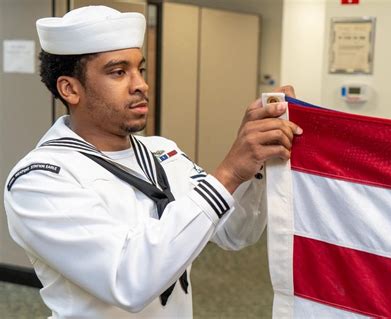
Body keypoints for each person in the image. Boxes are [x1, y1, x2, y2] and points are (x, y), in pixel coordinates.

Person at [4, 5, 301, 318]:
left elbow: (236, 233)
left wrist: (254, 166)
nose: (140, 85)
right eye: (119, 72)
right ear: (70, 89)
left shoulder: (161, 152)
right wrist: (226, 174)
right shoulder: (40, 179)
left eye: (139, 70)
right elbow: (129, 281)